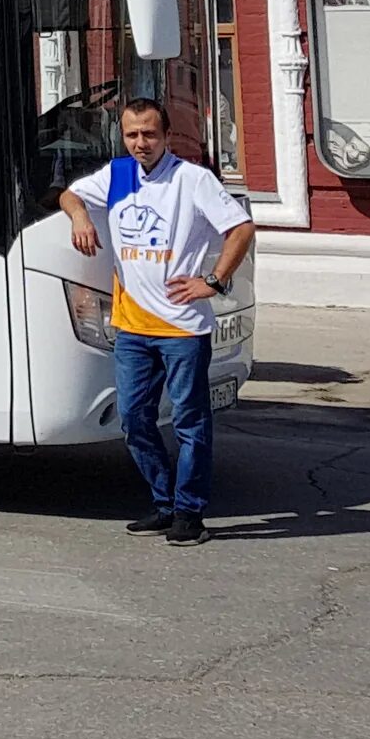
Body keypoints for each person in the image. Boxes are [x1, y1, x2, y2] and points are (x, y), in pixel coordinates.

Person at [60, 96, 255, 545]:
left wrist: (214, 280)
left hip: (183, 328)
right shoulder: (119, 174)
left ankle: (190, 512)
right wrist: (80, 218)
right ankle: (163, 503)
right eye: (132, 134)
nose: (140, 143)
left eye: (149, 134)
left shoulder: (192, 180)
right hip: (132, 328)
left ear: (166, 136)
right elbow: (70, 194)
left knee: (190, 423)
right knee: (134, 421)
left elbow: (240, 228)